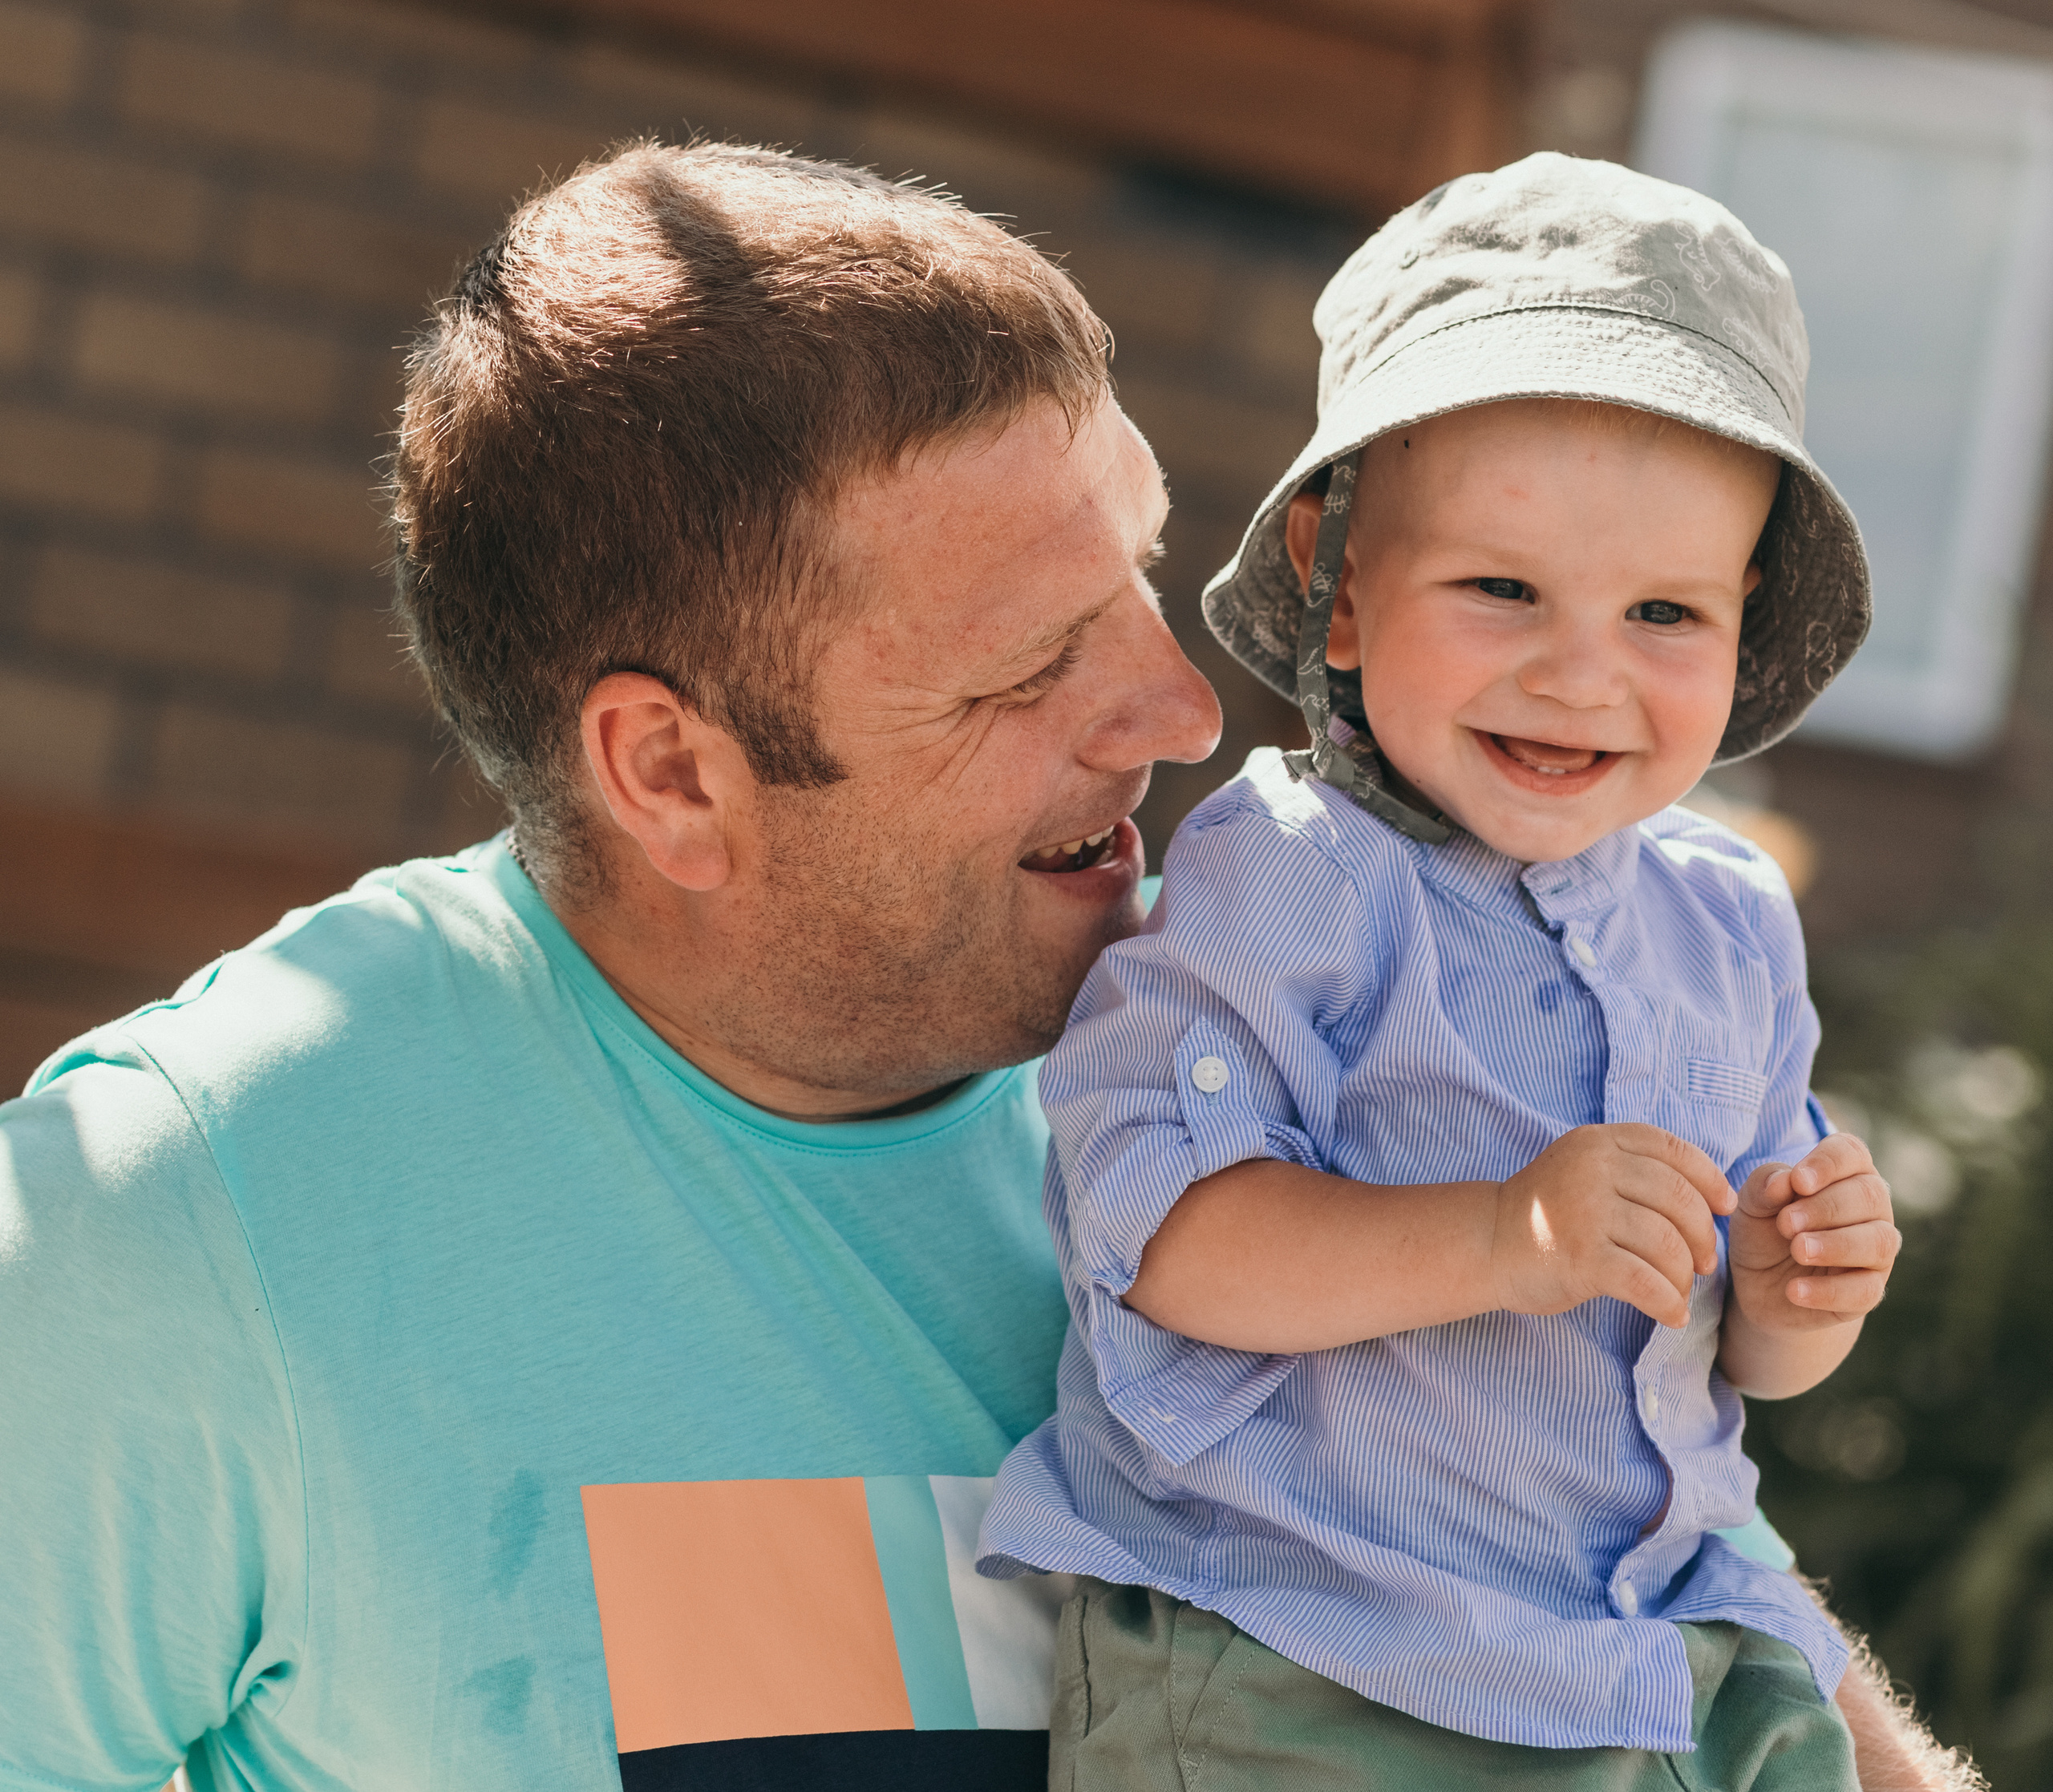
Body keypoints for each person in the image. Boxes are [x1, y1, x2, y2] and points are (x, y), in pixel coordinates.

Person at [0, 144, 1966, 1792]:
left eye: (1139, 565)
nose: (1185, 704)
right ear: (673, 774)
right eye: (1032, 661)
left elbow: (1603, 1531)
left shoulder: (1293, 1025)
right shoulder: (183, 1221)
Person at [978, 157, 1907, 1790]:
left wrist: (1792, 1293)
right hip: (1320, 1661)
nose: (1578, 669)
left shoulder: (1726, 918)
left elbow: (1726, 1357)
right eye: (1499, 586)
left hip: (1654, 1656)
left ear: (1741, 618)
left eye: (1662, 611)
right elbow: (1163, 1242)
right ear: (1337, 578)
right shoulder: (1290, 873)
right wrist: (1501, 1230)